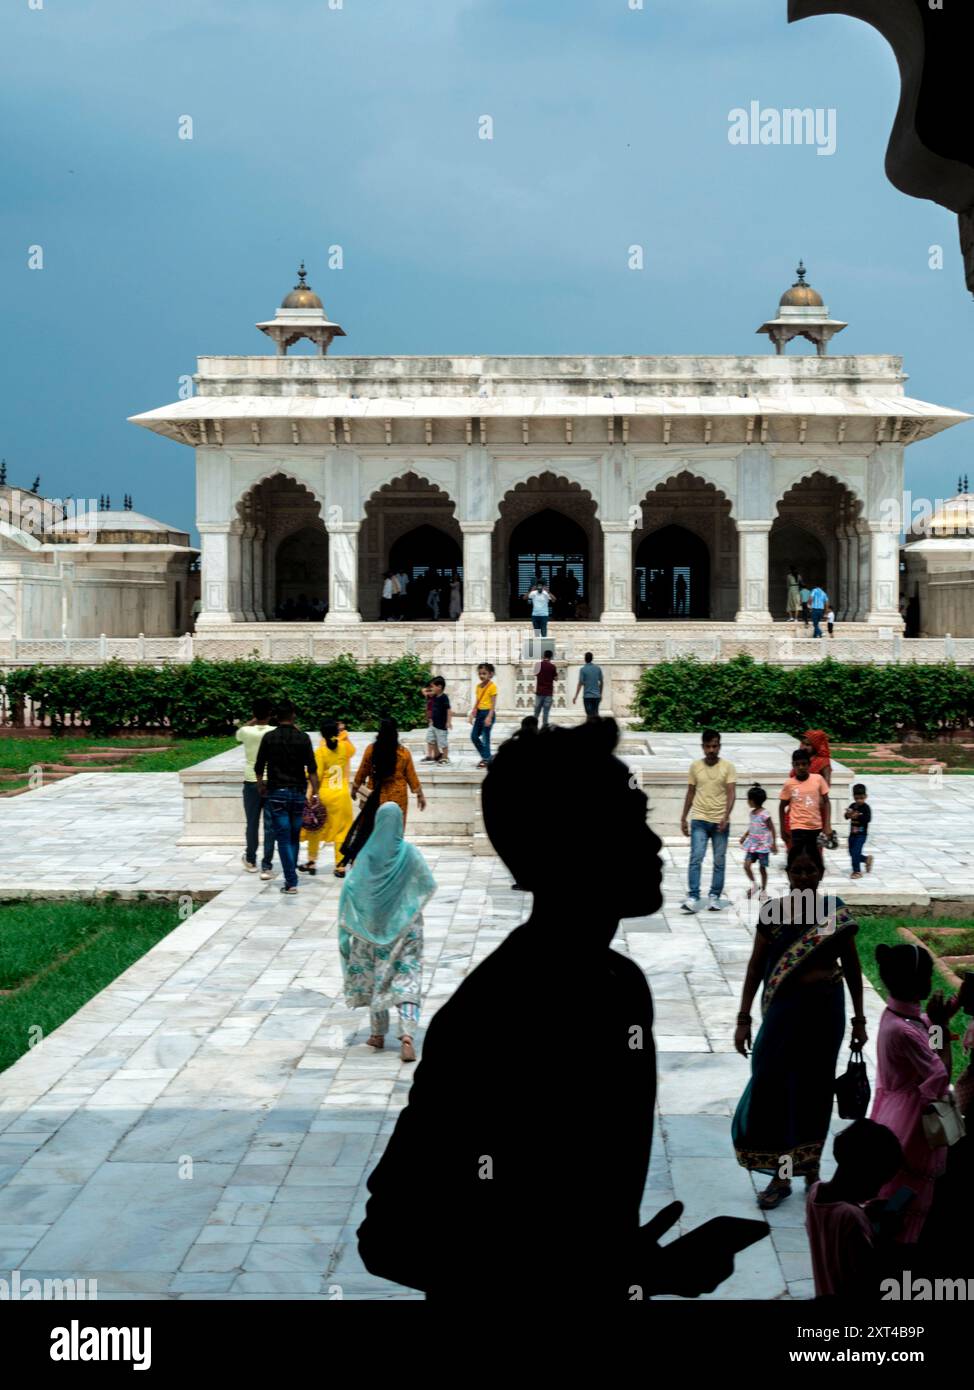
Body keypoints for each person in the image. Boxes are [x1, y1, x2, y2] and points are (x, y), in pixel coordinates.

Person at [357, 719, 759, 1301]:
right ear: (575, 843)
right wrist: (617, 1274)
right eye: (630, 823)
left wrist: (628, 1262)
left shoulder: (619, 985)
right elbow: (392, 1237)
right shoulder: (498, 1016)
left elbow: (563, 1215)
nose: (653, 844)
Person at [732, 843, 867, 1208]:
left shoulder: (833, 911)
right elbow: (755, 967)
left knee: (815, 1089)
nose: (805, 876)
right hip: (784, 1012)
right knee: (775, 1085)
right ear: (787, 873)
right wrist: (743, 1018)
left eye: (811, 870)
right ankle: (783, 1172)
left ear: (821, 873)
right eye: (798, 870)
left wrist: (859, 1019)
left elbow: (853, 968)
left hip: (825, 1013)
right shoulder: (774, 912)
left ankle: (806, 1171)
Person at [338, 803, 436, 1064]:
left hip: (371, 927)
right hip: (406, 928)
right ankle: (406, 1036)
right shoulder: (409, 853)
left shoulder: (366, 856)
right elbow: (427, 883)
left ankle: (378, 1035)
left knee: (376, 977)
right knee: (407, 978)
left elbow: (351, 889)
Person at [870, 943, 952, 1244]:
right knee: (908, 1190)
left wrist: (947, 1010)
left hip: (893, 1109)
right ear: (920, 982)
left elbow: (922, 1026)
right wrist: (942, 1026)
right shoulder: (904, 1031)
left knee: (892, 1183)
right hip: (913, 1118)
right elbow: (940, 1076)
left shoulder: (895, 1015)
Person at [805, 1120, 904, 1298]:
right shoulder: (851, 1217)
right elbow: (868, 1275)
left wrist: (864, 1214)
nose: (878, 1190)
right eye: (879, 1182)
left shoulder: (815, 1192)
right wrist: (886, 1236)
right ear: (867, 1175)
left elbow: (835, 1231)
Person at [254, 700, 319, 894]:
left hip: (277, 793)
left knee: (283, 837)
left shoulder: (269, 737)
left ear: (277, 716)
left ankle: (291, 880)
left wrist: (260, 785)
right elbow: (312, 769)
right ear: (293, 715)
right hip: (298, 792)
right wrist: (315, 792)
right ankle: (291, 877)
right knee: (293, 837)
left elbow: (259, 766)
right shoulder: (303, 738)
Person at [680, 728, 736, 913]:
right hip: (699, 819)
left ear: (719, 746)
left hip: (720, 821)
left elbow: (731, 793)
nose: (712, 750)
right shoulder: (695, 766)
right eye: (708, 746)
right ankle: (693, 895)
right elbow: (690, 792)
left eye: (715, 746)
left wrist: (726, 816)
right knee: (696, 857)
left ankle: (714, 896)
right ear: (702, 747)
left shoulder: (728, 767)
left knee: (719, 860)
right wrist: (683, 817)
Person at [299, 719, 356, 879]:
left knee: (316, 828)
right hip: (342, 795)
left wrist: (311, 794)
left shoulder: (321, 752)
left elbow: (314, 775)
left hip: (325, 795)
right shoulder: (344, 747)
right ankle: (340, 866)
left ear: (322, 735)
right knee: (342, 831)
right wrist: (343, 734)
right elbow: (352, 750)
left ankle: (311, 861)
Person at [350, 717, 426, 833]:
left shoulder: (371, 750)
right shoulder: (403, 753)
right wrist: (420, 795)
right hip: (397, 798)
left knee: (374, 832)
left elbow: (362, 772)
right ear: (396, 733)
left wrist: (355, 789)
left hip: (375, 796)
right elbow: (412, 776)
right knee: (394, 832)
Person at [235, 697, 275, 874]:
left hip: (251, 781)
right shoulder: (274, 731)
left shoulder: (246, 731)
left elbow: (238, 734)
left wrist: (253, 719)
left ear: (254, 713)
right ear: (270, 714)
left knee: (252, 823)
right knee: (270, 824)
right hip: (270, 781)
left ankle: (251, 859)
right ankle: (267, 865)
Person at [779, 747, 830, 857]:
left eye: (804, 764)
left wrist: (827, 825)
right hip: (797, 828)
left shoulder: (818, 779)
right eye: (797, 764)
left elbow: (826, 802)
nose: (801, 767)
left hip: (816, 827)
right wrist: (782, 829)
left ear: (809, 764)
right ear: (793, 765)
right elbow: (782, 806)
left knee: (816, 858)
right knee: (797, 857)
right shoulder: (789, 784)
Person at [739, 783, 776, 899]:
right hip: (752, 845)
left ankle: (763, 891)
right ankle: (755, 885)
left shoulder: (765, 814)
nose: (747, 801)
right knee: (746, 865)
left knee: (762, 868)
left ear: (753, 800)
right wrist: (745, 836)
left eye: (748, 799)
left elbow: (772, 828)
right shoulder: (752, 813)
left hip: (763, 846)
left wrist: (773, 843)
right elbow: (752, 826)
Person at [469, 663, 497, 767]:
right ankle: (487, 757)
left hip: (488, 713)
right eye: (480, 673)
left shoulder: (492, 687)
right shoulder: (478, 686)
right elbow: (478, 700)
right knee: (474, 736)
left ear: (490, 674)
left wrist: (489, 717)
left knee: (485, 738)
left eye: (484, 673)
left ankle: (486, 759)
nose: (481, 676)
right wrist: (472, 713)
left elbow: (493, 704)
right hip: (480, 713)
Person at [845, 782, 874, 878]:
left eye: (861, 798)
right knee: (851, 852)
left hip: (861, 835)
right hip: (852, 834)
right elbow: (846, 816)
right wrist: (849, 814)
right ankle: (866, 859)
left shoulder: (866, 808)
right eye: (857, 798)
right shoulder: (853, 806)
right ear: (853, 797)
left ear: (865, 796)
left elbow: (868, 819)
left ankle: (857, 871)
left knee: (856, 852)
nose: (859, 800)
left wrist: (858, 816)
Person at [428, 676, 452, 764]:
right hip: (433, 724)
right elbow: (425, 692)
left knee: (442, 742)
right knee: (431, 739)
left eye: (433, 686)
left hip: (441, 725)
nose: (431, 688)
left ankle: (445, 757)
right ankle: (437, 755)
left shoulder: (444, 697)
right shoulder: (434, 696)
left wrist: (448, 722)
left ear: (439, 687)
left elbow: (448, 710)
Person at [573, 651, 604, 720]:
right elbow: (601, 682)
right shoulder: (598, 668)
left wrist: (575, 696)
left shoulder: (583, 669)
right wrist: (600, 694)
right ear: (592, 658)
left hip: (587, 696)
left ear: (585, 659)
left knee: (589, 715)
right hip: (596, 696)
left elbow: (580, 683)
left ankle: (590, 729)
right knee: (595, 715)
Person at [533, 649, 557, 728]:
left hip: (539, 692)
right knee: (546, 713)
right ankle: (544, 731)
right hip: (548, 693)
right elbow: (556, 678)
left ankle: (533, 729)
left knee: (536, 713)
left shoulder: (538, 665)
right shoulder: (553, 667)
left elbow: (535, 674)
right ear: (551, 657)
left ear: (544, 656)